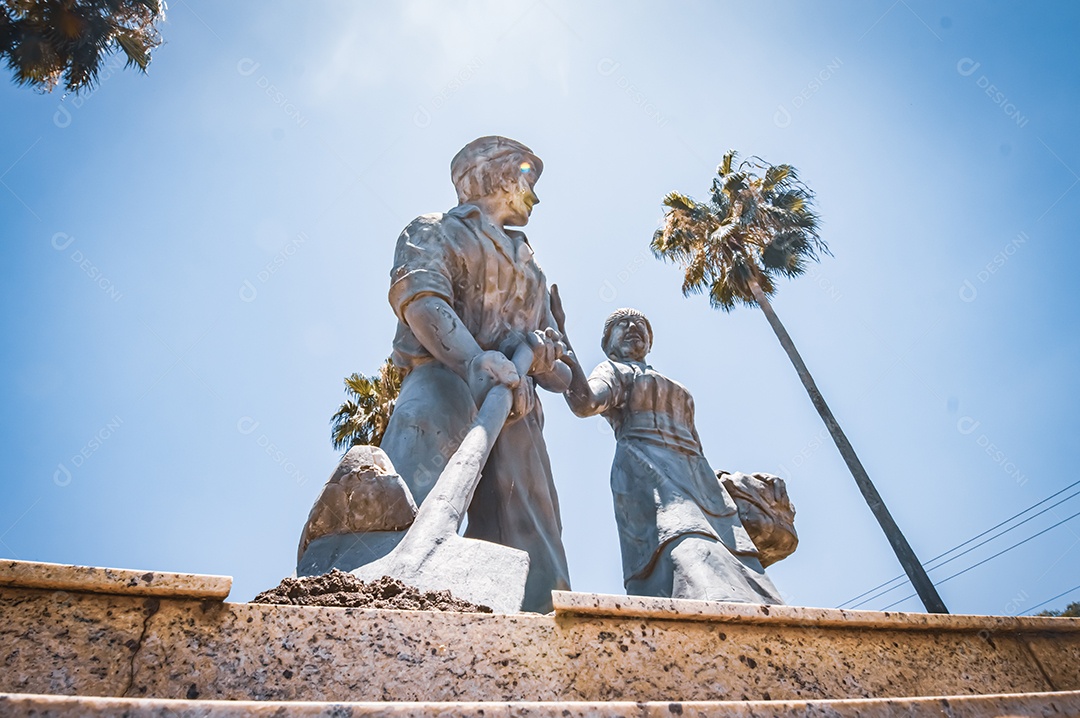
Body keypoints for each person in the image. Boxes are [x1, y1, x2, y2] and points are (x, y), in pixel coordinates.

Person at [379, 136, 572, 613]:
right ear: (500, 176)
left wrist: (547, 357)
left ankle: (540, 630)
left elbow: (561, 376)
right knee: (409, 490)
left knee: (533, 535)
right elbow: (422, 299)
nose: (536, 196)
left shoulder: (535, 272)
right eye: (529, 180)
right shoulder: (435, 230)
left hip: (516, 408)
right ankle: (380, 599)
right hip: (443, 382)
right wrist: (471, 361)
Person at [559, 306, 783, 603]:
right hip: (646, 469)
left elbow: (698, 445)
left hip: (698, 476)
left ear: (649, 342)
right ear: (608, 343)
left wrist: (734, 482)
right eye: (622, 324)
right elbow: (585, 403)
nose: (632, 327)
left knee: (732, 555)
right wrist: (564, 352)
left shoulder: (669, 383)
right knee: (684, 543)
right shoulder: (613, 370)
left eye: (640, 324)